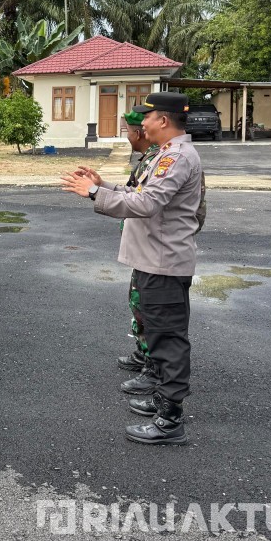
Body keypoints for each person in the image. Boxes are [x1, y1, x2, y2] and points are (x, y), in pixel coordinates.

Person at [61, 92, 203, 446]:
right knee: (155, 332)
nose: (143, 124)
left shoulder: (177, 158)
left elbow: (148, 203)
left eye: (149, 117)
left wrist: (95, 193)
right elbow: (137, 190)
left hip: (164, 262)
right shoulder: (165, 156)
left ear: (164, 121)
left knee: (168, 339)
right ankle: (161, 401)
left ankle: (170, 421)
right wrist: (103, 185)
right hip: (152, 259)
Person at [114, 109, 160, 373]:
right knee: (138, 301)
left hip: (152, 249)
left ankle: (154, 365)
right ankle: (144, 353)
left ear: (140, 133)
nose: (128, 137)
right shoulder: (148, 159)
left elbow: (142, 201)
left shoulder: (157, 161)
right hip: (142, 247)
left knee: (146, 305)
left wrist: (98, 193)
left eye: (129, 132)